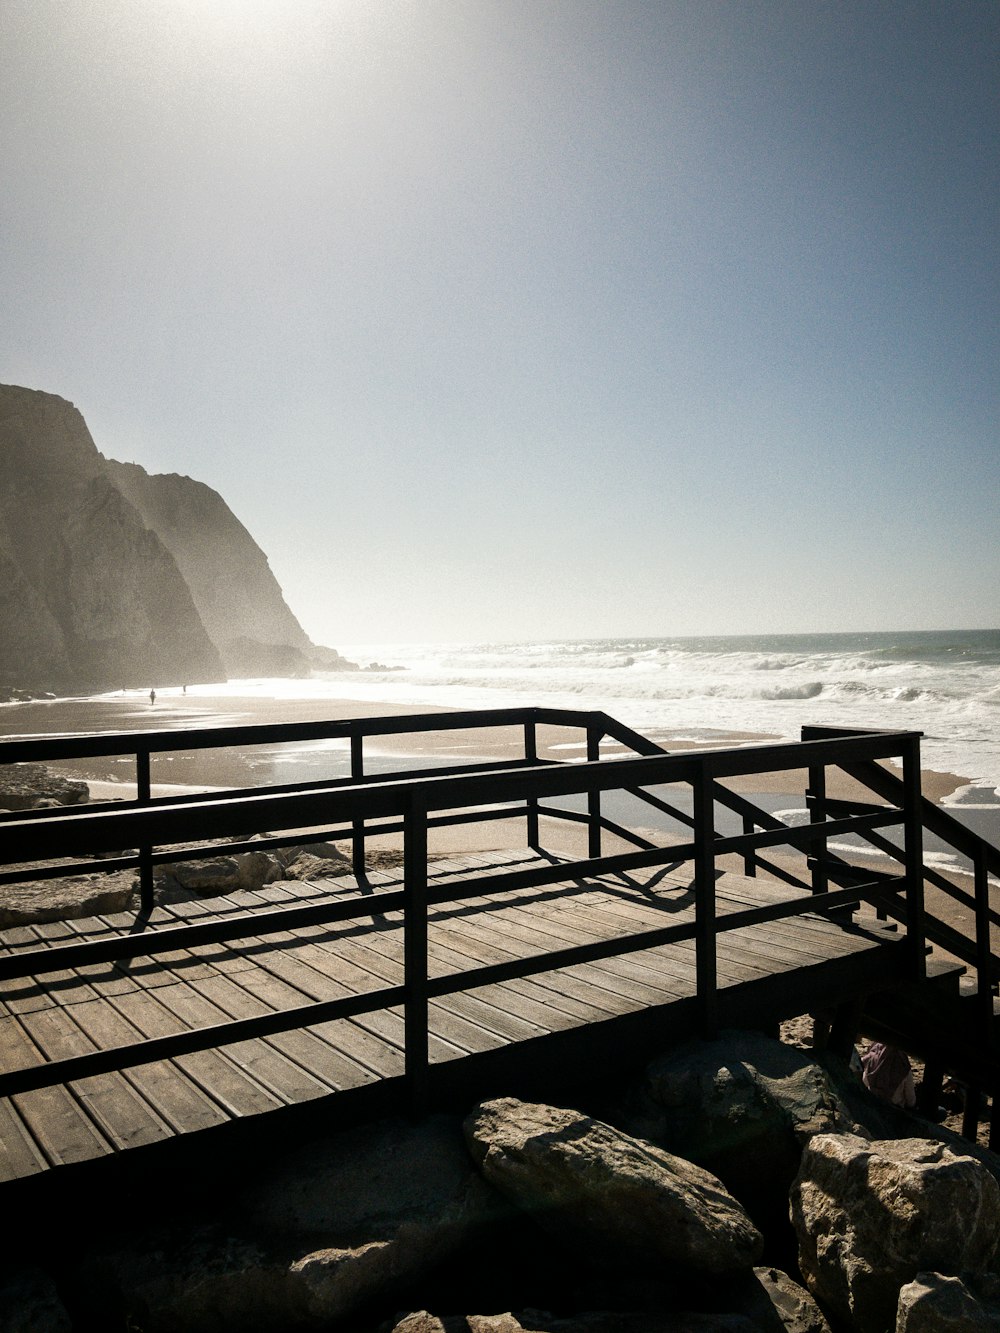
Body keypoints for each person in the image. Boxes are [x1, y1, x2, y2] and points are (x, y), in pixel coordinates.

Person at [861, 1042, 917, 1108]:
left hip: (870, 1103)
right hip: (894, 1110)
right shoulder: (903, 1065)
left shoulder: (872, 1058)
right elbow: (911, 1100)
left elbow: (864, 1082)